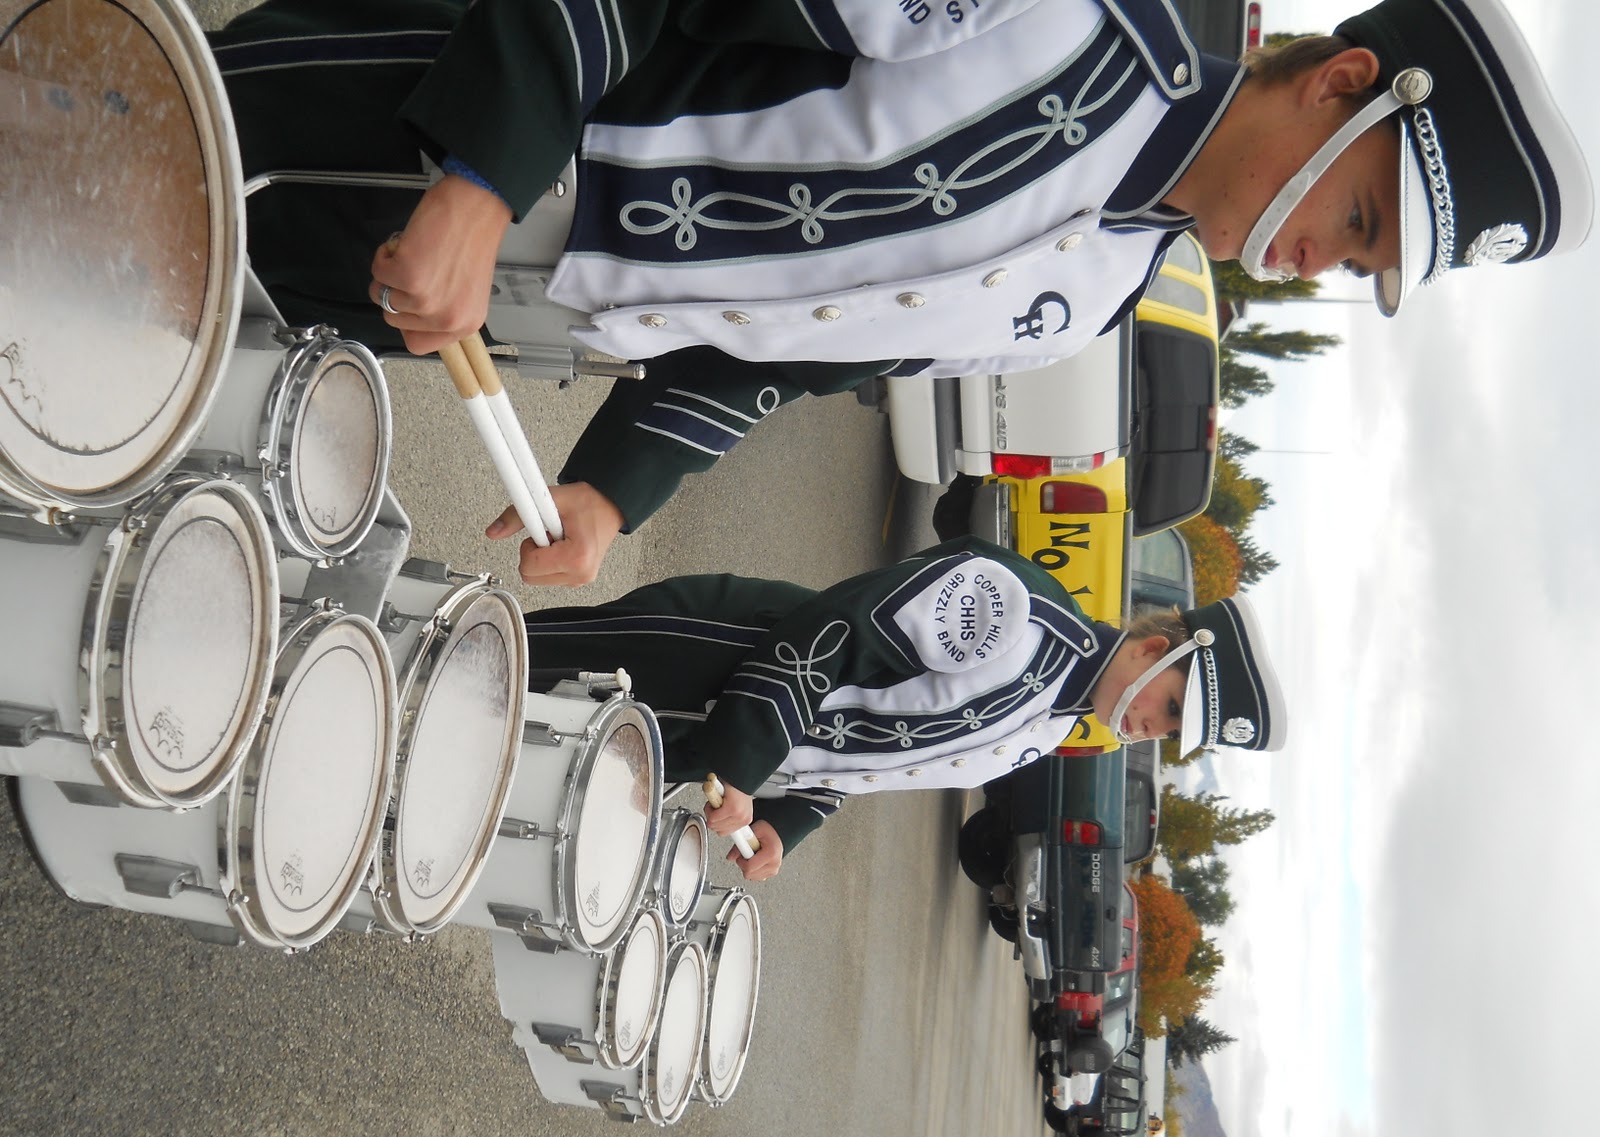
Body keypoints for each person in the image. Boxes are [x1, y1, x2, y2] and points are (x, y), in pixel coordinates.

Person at [209, 0, 1591, 584]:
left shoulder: (1099, 300)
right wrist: (483, 175)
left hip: (482, 306)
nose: (1320, 261)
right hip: (430, 120)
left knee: (170, 339)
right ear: (1342, 83)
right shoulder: (1070, 19)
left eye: (1359, 266)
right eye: (1358, 219)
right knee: (114, 149)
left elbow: (781, 357)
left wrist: (615, 492)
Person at [522, 535, 1286, 880]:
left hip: (709, 749)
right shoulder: (1015, 608)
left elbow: (874, 753)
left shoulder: (1055, 726)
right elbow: (836, 636)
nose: (1155, 730)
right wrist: (744, 763)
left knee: (515, 765)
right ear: (1154, 651)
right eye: (1172, 707)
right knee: (488, 665)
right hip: (696, 660)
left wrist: (789, 819)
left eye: (1172, 733)